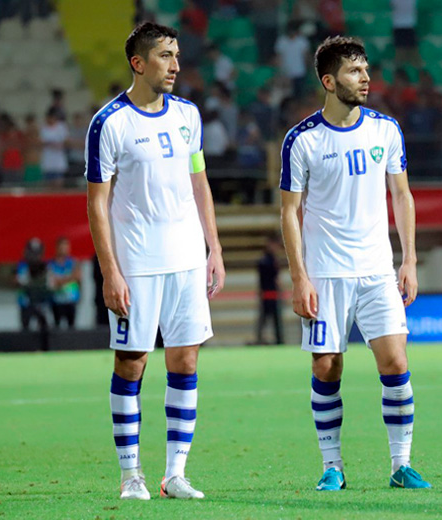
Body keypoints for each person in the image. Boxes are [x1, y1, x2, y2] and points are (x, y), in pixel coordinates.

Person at [279, 36, 430, 492]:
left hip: (377, 270)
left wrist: (409, 260)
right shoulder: (302, 140)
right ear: (329, 80)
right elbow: (289, 211)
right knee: (327, 367)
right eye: (353, 71)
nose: (365, 78)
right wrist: (300, 276)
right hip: (325, 274)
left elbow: (402, 194)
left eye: (366, 69)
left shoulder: (385, 129)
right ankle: (333, 466)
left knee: (395, 361)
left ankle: (401, 465)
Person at [85, 22, 225, 501]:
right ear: (138, 63)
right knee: (133, 363)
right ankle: (131, 476)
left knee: (185, 359)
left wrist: (215, 248)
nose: (176, 66)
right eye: (166, 56)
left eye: (178, 55)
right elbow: (96, 203)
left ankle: (175, 474)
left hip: (187, 259)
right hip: (138, 263)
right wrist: (110, 271)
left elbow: (198, 182)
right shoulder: (109, 123)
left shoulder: (188, 115)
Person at [47, 237, 81, 328]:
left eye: (66, 246)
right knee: (57, 326)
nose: (64, 249)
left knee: (72, 326)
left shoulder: (74, 262)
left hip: (71, 299)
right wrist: (69, 278)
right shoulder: (51, 263)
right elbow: (51, 280)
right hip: (56, 300)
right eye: (62, 247)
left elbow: (77, 277)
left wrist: (61, 280)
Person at [256, 235, 284, 345]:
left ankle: (278, 339)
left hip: (271, 293)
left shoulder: (269, 260)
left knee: (274, 319)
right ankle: (262, 339)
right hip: (268, 293)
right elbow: (275, 279)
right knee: (265, 319)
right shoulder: (266, 261)